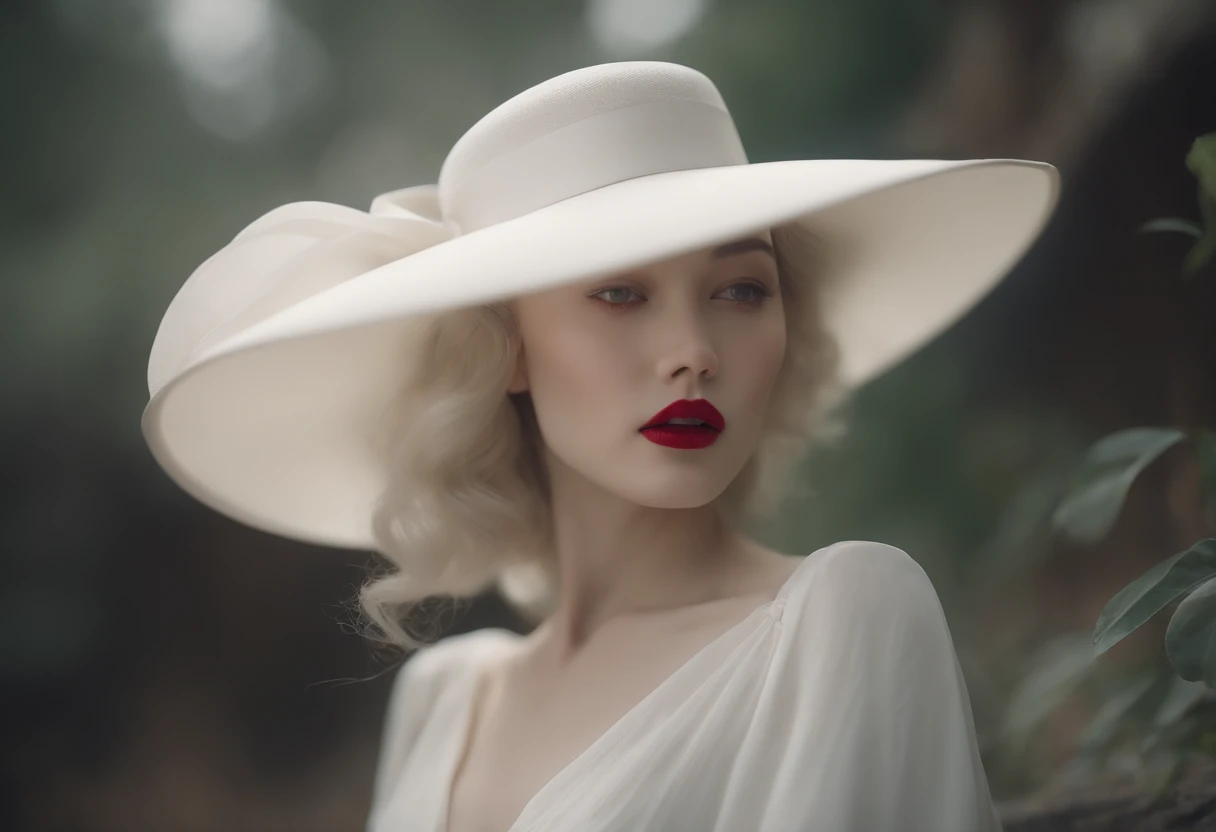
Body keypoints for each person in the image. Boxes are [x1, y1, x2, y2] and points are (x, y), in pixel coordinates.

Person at [141, 61, 1059, 831]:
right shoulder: (444, 702)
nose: (693, 353)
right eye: (619, 294)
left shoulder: (843, 614)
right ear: (505, 349)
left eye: (741, 290)